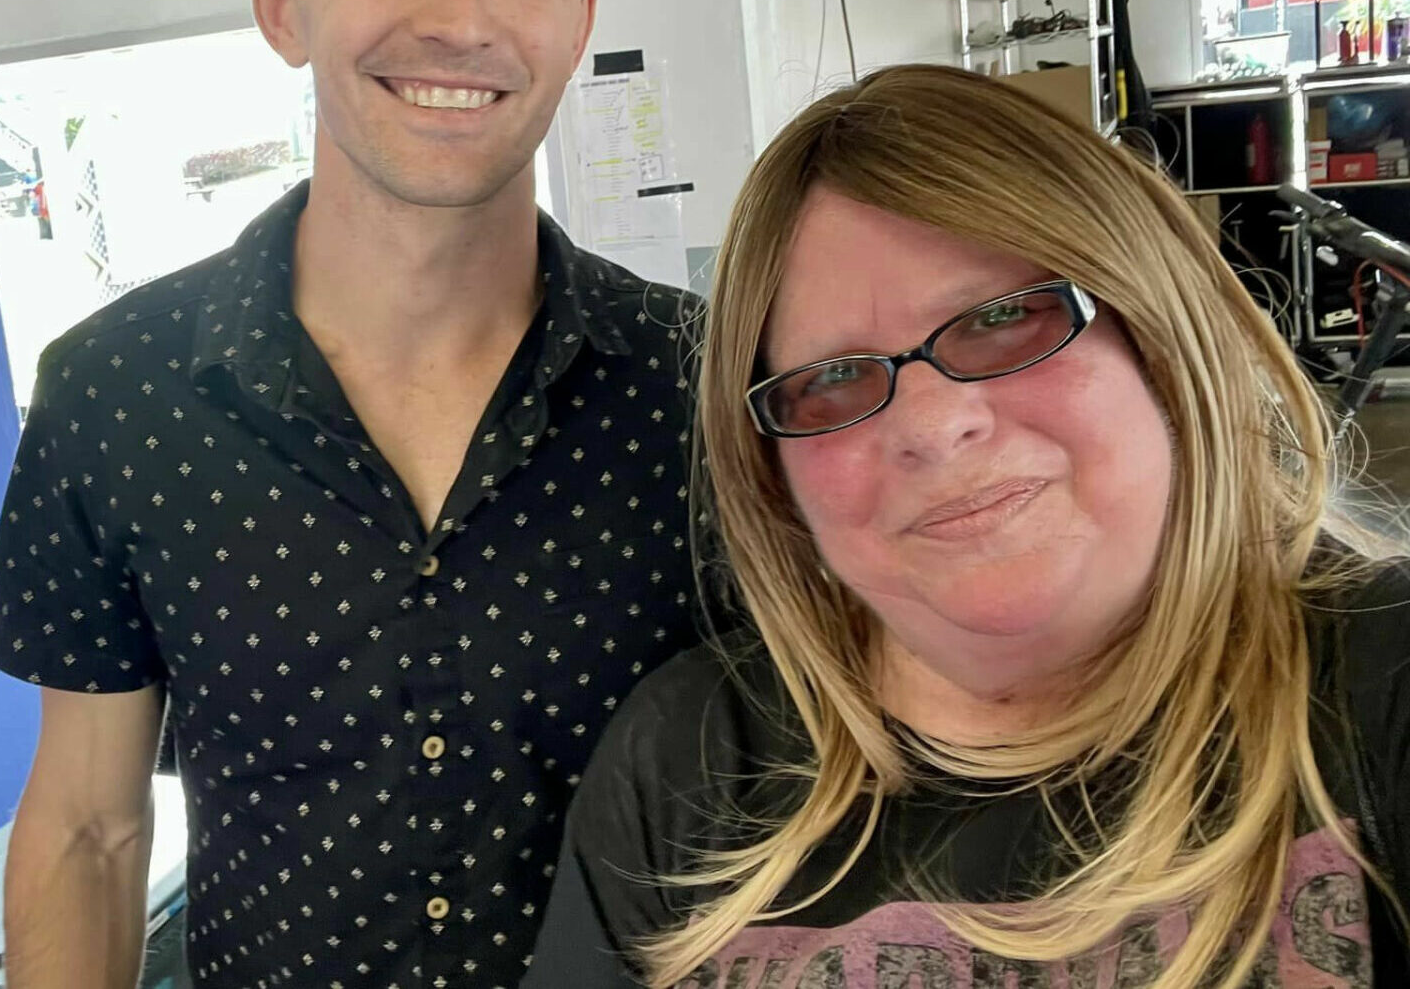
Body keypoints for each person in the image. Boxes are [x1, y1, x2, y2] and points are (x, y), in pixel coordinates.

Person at [0, 0, 705, 986]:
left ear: (580, 15)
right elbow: (89, 828)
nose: (461, 13)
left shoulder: (703, 388)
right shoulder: (115, 394)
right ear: (280, 0)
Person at [524, 64, 1410, 988]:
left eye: (1002, 317)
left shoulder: (1378, 679)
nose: (932, 425)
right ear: (773, 475)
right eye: (834, 379)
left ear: (1160, 333)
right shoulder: (685, 761)